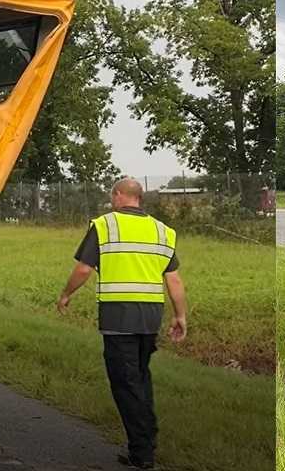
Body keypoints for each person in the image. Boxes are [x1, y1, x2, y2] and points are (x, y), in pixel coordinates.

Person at [57, 178, 187, 469]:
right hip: (150, 316)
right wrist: (180, 316)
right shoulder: (162, 231)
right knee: (139, 376)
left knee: (125, 383)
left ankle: (142, 453)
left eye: (111, 195)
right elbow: (174, 279)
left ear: (118, 195)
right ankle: (148, 439)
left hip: (119, 315)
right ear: (138, 198)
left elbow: (83, 269)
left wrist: (66, 295)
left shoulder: (104, 225)